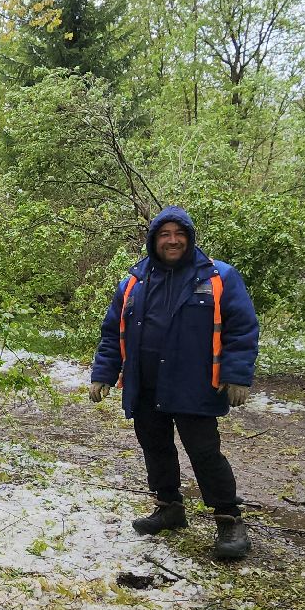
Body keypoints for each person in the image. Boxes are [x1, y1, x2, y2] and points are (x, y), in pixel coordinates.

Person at [89, 207, 259, 560]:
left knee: (204, 452)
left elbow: (242, 328)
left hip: (195, 385)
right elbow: (112, 333)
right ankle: (169, 508)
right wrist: (103, 373)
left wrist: (237, 374)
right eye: (165, 234)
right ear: (153, 240)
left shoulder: (219, 277)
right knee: (156, 447)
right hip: (145, 384)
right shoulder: (134, 282)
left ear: (190, 238)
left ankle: (229, 518)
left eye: (179, 234)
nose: (172, 240)